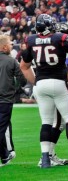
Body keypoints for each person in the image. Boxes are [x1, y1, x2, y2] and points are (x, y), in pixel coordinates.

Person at [20, 14, 68, 168]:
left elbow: (24, 64)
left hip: (41, 84)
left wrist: (36, 82)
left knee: (46, 122)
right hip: (59, 81)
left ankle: (45, 159)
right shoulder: (60, 37)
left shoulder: (30, 40)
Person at [0, 35, 26, 167]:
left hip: (4, 99)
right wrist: (15, 89)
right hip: (5, 100)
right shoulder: (11, 61)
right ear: (4, 47)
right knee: (2, 128)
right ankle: (7, 153)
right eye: (10, 44)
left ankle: (5, 156)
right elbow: (22, 79)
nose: (11, 46)